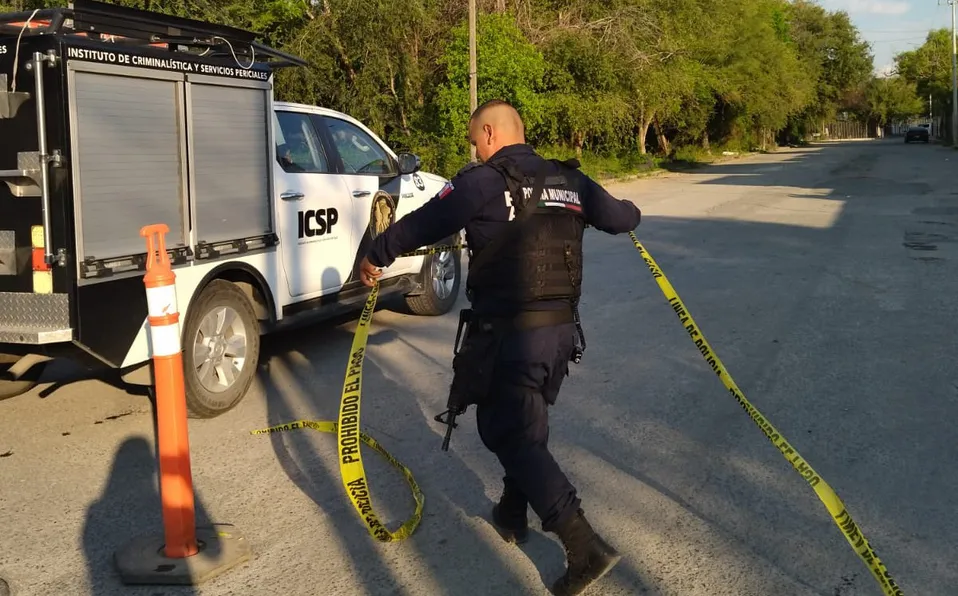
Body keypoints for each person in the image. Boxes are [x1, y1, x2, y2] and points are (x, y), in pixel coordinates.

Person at [359, 99, 642, 596]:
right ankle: (513, 512)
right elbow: (622, 218)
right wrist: (632, 213)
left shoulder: (483, 182)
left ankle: (584, 545)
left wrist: (376, 253)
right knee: (525, 419)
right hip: (558, 336)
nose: (474, 148)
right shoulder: (569, 180)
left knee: (505, 429)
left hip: (510, 335)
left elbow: (425, 223)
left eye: (474, 139)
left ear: (489, 133)